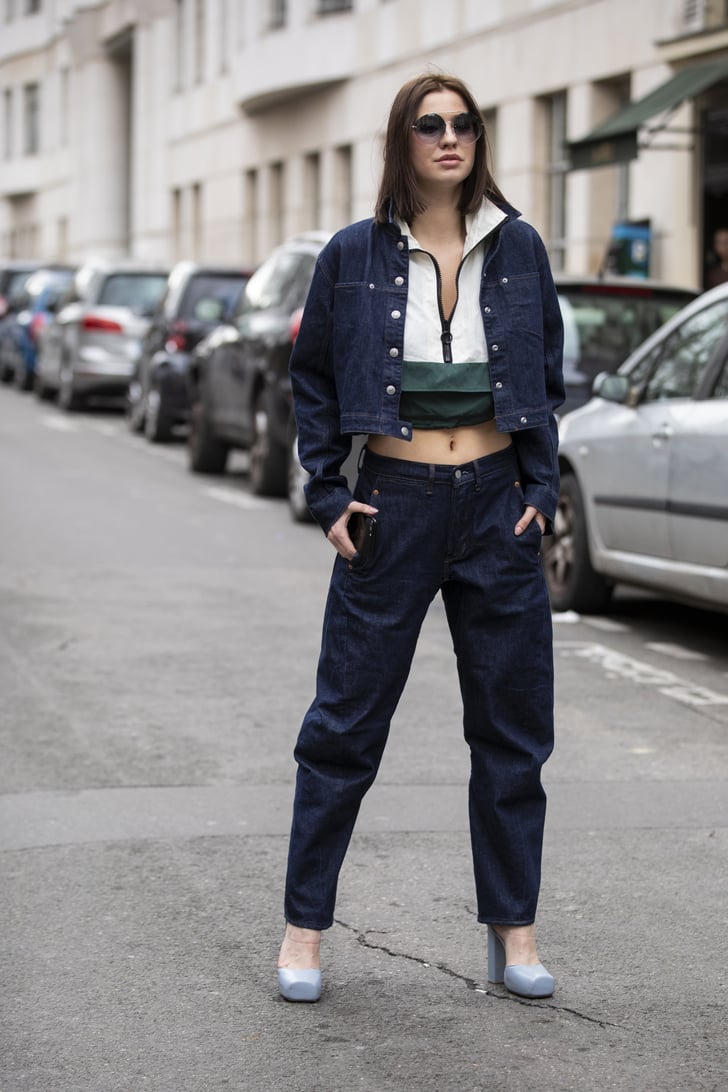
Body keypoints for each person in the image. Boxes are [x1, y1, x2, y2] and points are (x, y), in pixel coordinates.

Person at [277, 73, 564, 1004]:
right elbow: (312, 377)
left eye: (465, 125)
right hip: (392, 501)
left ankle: (513, 931)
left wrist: (539, 487)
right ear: (401, 140)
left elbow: (548, 376)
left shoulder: (518, 247)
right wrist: (329, 494)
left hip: (496, 507)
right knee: (344, 728)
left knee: (512, 734)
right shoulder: (354, 255)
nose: (450, 139)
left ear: (480, 140)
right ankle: (304, 932)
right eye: (430, 125)